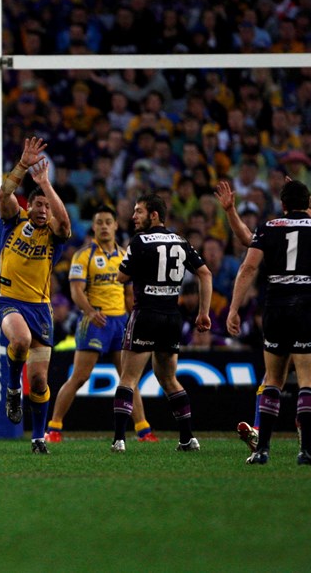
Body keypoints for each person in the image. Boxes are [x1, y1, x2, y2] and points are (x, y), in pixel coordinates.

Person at [227, 181, 311, 465]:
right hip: (308, 310)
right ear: (307, 207)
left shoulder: (269, 228)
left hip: (275, 309)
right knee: (308, 380)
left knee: (273, 379)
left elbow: (248, 266)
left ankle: (262, 449)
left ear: (282, 204)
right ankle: (307, 450)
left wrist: (234, 308)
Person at [45, 205, 159, 444]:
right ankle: (54, 428)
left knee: (129, 378)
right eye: (99, 222)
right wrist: (90, 312)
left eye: (108, 222)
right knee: (80, 377)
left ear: (116, 225)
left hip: (121, 323)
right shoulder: (83, 255)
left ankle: (144, 431)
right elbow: (76, 290)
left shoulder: (125, 255)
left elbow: (129, 293)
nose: (104, 226)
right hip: (95, 321)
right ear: (94, 227)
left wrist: (133, 318)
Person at [112, 193, 212, 453]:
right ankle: (187, 438)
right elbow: (205, 273)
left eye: (139, 211)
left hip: (145, 314)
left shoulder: (140, 241)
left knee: (128, 377)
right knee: (168, 379)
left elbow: (121, 277)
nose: (134, 216)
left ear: (154, 215)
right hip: (171, 318)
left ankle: (119, 439)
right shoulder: (181, 241)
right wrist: (203, 312)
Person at [0, 137, 72, 454]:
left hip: (40, 309)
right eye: (38, 204)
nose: (43, 210)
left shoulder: (54, 235)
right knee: (21, 340)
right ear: (29, 206)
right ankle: (13, 387)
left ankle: (38, 438)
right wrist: (23, 165)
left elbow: (64, 223)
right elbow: (4, 193)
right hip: (9, 301)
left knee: (40, 381)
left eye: (47, 206)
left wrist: (45, 184)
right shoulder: (14, 220)